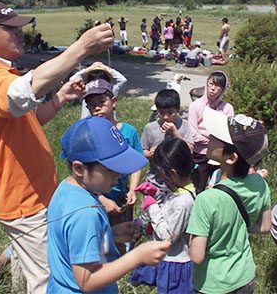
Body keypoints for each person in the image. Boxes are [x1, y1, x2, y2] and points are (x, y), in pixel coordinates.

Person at [0, 0, 113, 293]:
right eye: (12, 28)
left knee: (29, 274)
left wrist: (59, 98)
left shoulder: (1, 74)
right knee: (50, 281)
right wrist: (81, 47)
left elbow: (30, 118)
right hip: (24, 202)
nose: (21, 33)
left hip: (34, 197)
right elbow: (21, 94)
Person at [47, 116, 170, 293]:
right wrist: (137, 256)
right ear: (79, 169)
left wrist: (109, 236)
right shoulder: (85, 213)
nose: (118, 175)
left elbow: (71, 242)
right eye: (110, 169)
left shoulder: (67, 189)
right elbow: (86, 281)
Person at [187, 108, 271, 293]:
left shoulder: (207, 199)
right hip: (245, 277)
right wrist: (237, 226)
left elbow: (197, 256)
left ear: (231, 158)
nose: (210, 136)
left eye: (217, 137)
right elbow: (265, 227)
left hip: (213, 284)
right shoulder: (260, 184)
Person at [130, 138, 197, 293]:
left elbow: (168, 238)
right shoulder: (178, 191)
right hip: (169, 260)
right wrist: (155, 197)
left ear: (172, 173)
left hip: (176, 264)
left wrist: (152, 206)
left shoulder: (183, 201)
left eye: (161, 173)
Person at [83, 79, 144, 249]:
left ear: (114, 102)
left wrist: (132, 189)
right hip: (95, 197)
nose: (96, 108)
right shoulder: (87, 134)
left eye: (101, 102)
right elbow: (81, 174)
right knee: (98, 236)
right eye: (91, 104)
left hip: (122, 197)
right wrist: (101, 198)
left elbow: (137, 163)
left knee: (124, 235)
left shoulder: (128, 131)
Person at [187, 71, 234, 193]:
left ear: (223, 89)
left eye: (218, 86)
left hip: (219, 155)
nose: (213, 88)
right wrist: (213, 139)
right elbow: (193, 133)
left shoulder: (227, 108)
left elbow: (228, 133)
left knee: (219, 188)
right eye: (211, 84)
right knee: (197, 187)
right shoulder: (195, 106)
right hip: (199, 154)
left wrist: (213, 140)